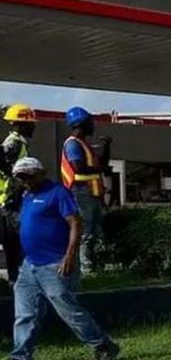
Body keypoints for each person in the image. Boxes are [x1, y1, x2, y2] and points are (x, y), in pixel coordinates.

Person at [3, 158, 119, 360]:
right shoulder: (28, 196)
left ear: (41, 172)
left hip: (54, 264)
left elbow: (75, 223)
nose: (24, 181)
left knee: (69, 311)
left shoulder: (58, 193)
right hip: (30, 266)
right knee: (25, 314)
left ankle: (103, 345)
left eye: (27, 176)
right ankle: (20, 358)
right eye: (20, 177)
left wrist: (69, 256)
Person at [61, 106, 111, 259]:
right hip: (81, 192)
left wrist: (106, 148)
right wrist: (103, 168)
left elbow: (100, 163)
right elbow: (79, 168)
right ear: (80, 124)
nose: (93, 125)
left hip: (92, 193)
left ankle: (95, 265)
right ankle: (85, 267)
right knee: (86, 230)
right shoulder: (73, 144)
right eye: (90, 122)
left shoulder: (84, 144)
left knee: (97, 230)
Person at [0, 104, 36, 282]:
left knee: (15, 244)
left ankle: (18, 280)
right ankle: (18, 280)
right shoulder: (13, 143)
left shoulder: (19, 143)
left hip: (13, 199)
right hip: (10, 200)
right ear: (21, 124)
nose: (34, 127)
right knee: (17, 242)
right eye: (31, 124)